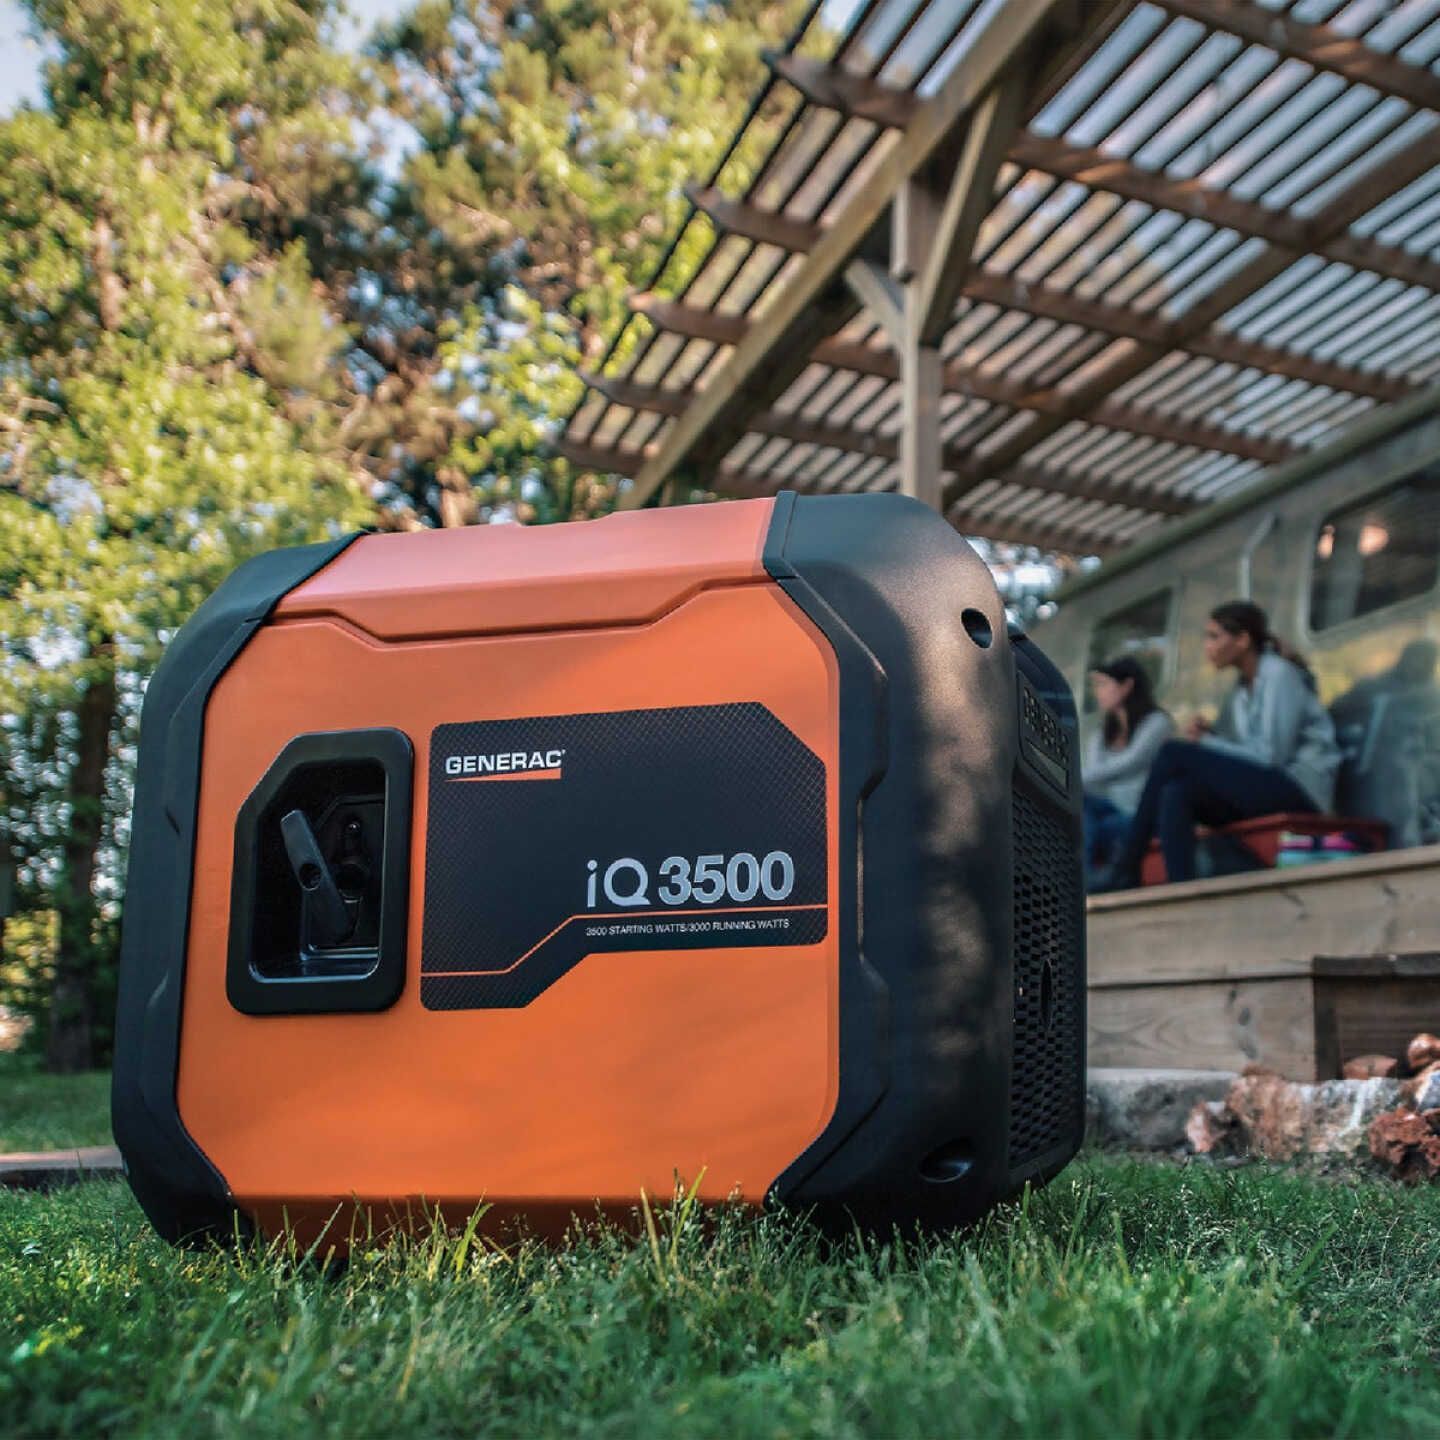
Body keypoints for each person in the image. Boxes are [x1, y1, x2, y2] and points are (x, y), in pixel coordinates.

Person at [1107, 600, 1341, 887]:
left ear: (1242, 640)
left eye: (1215, 636)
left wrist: (1207, 743)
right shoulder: (1243, 689)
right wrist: (1214, 737)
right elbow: (1247, 752)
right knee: (1175, 792)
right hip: (1271, 786)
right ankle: (1183, 890)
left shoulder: (1279, 675)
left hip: (1301, 790)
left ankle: (1127, 863)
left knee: (1173, 752)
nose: (1208, 646)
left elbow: (1271, 757)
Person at [1082, 657, 1172, 888]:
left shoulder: (1157, 723)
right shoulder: (1100, 736)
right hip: (1107, 809)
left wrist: (1074, 779)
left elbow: (1131, 763)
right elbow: (1093, 780)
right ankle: (1084, 879)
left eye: (1103, 684)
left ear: (1126, 686)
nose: (1097, 692)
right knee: (1080, 805)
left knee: (1103, 826)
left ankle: (1091, 882)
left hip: (1140, 813)